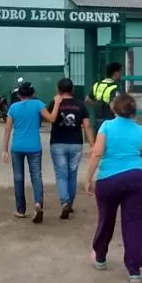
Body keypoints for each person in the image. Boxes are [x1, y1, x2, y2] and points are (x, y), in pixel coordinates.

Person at [84, 93, 142, 283]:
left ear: (114, 109)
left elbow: (97, 153)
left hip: (109, 180)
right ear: (133, 111)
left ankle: (100, 257)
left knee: (106, 219)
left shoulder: (106, 126)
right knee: (134, 224)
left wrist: (88, 178)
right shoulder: (140, 130)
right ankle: (134, 270)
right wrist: (138, 174)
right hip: (136, 178)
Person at [2, 82, 62, 223]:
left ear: (18, 95)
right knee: (36, 176)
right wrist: (57, 103)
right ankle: (38, 203)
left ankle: (20, 210)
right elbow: (52, 119)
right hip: (34, 147)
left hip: (17, 147)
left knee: (18, 177)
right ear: (33, 94)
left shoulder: (13, 107)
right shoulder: (38, 104)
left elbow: (7, 128)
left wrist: (4, 150)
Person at [48, 78, 95, 219]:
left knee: (61, 174)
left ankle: (65, 202)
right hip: (76, 144)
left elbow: (48, 118)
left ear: (58, 89)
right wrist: (92, 144)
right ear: (72, 89)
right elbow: (87, 125)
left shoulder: (54, 103)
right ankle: (70, 204)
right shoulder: (80, 105)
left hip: (58, 143)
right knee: (72, 175)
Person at [88, 62, 122, 132]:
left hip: (99, 122)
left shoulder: (97, 85)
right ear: (116, 73)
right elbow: (112, 105)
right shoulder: (115, 86)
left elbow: (88, 100)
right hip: (111, 122)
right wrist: (121, 120)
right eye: (121, 71)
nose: (121, 74)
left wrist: (99, 103)